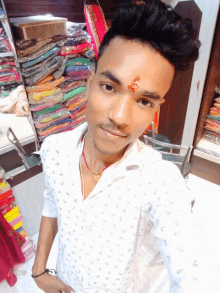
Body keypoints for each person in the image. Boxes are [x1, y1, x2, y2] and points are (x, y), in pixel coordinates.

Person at [32, 0, 202, 292]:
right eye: (109, 87)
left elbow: (190, 276)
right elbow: (52, 201)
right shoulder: (54, 150)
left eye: (144, 101)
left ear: (156, 109)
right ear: (89, 82)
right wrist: (38, 271)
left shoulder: (158, 181)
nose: (120, 118)